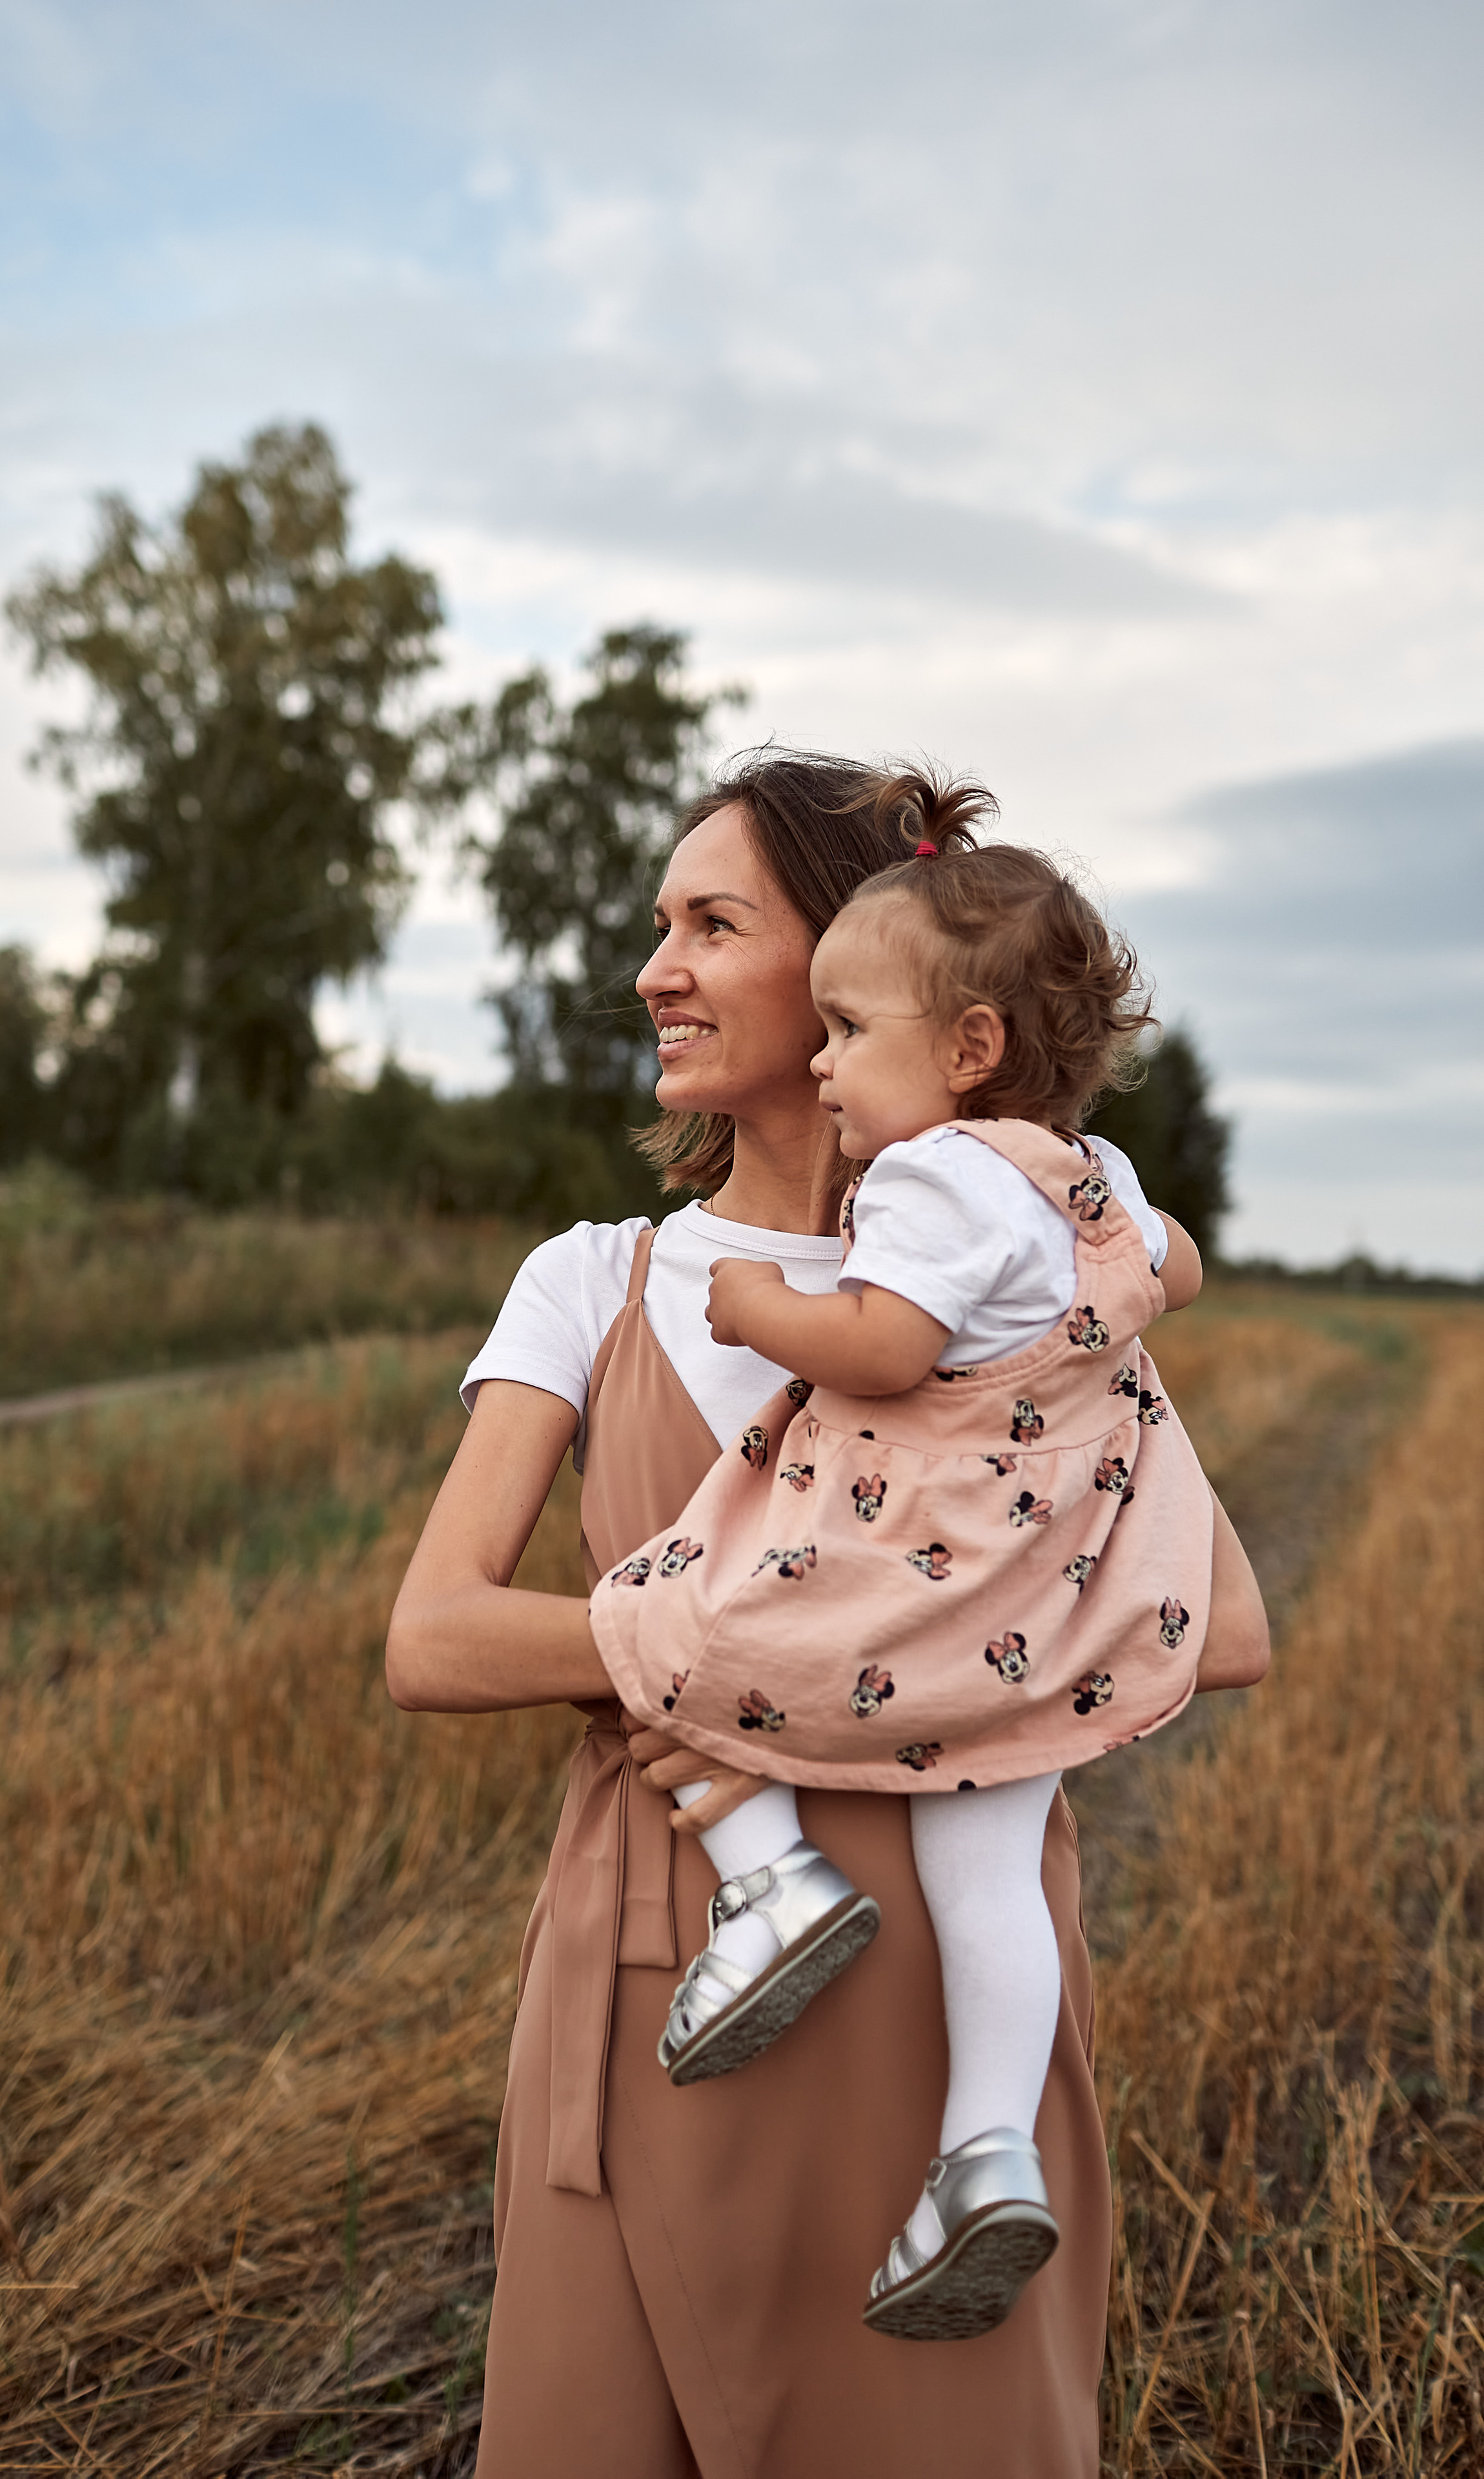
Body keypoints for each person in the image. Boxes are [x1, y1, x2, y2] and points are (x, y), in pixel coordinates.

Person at [386, 753, 1270, 2479]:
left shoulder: (1025, 1297)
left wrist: (731, 1662)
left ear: (868, 967)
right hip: (660, 1992)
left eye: (713, 923)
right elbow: (433, 1639)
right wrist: (768, 1650)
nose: (657, 969)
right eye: (660, 926)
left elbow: (1213, 1622)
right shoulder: (599, 1280)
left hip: (946, 2023)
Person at [587, 810, 1225, 2345]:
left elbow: (883, 1345)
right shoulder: (1087, 1171)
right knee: (985, 1877)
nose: (819, 1063)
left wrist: (750, 1306)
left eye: (849, 1030)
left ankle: (770, 1874)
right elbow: (1169, 1268)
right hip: (1045, 1596)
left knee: (663, 1620)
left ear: (968, 1046)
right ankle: (983, 2154)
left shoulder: (934, 1180)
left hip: (916, 1546)